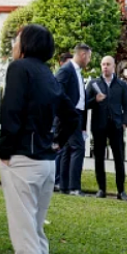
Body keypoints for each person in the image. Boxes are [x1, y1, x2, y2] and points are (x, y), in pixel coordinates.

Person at [0, 24, 76, 254]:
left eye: (17, 39)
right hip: (45, 162)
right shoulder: (48, 74)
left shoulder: (20, 68)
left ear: (25, 43)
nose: (15, 43)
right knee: (36, 232)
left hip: (23, 161)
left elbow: (10, 111)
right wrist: (57, 143)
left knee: (24, 232)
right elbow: (73, 115)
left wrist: (3, 149)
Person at [87, 55, 127, 201]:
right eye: (103, 64)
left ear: (114, 66)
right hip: (99, 126)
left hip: (116, 126)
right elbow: (85, 104)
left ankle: (121, 190)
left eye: (108, 64)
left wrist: (124, 122)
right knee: (99, 158)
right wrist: (95, 100)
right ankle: (102, 189)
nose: (105, 67)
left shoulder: (121, 85)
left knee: (119, 159)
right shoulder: (94, 84)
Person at [55, 44, 91, 195]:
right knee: (78, 148)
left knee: (67, 150)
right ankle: (74, 187)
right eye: (89, 57)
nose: (89, 60)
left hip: (76, 115)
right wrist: (67, 114)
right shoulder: (66, 70)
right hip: (69, 116)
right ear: (83, 55)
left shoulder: (77, 72)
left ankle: (64, 186)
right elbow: (58, 92)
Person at [53, 52, 73, 191]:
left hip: (66, 119)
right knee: (58, 150)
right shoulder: (60, 76)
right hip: (58, 118)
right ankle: (55, 180)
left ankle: (61, 180)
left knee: (65, 150)